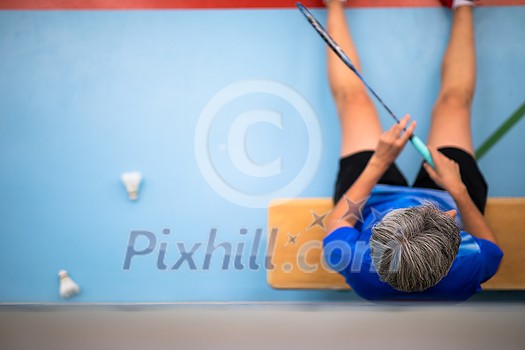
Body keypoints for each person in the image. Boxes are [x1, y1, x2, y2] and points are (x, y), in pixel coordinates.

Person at [322, 0, 503, 301]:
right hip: (449, 188)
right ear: (453, 250)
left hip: (373, 198)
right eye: (448, 219)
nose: (449, 213)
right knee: (454, 104)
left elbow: (337, 223)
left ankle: (334, 5)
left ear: (376, 236)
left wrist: (377, 163)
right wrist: (458, 191)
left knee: (354, 101)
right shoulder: (471, 264)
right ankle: (463, 5)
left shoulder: (356, 263)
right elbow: (490, 245)